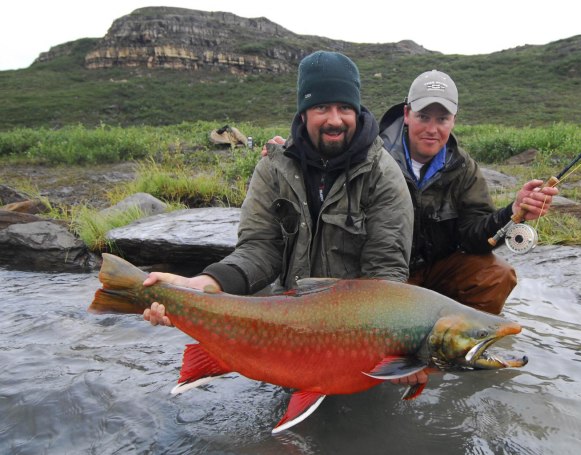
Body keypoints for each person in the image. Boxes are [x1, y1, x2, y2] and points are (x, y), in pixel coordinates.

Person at [143, 51, 413, 326]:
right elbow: (259, 249)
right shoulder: (273, 169)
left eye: (345, 107)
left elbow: (385, 273)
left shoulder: (382, 175)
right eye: (322, 107)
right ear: (303, 113)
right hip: (285, 319)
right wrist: (208, 283)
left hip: (355, 324)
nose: (335, 120)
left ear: (356, 110)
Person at [378, 69, 559, 316]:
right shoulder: (374, 158)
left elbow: (474, 237)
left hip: (436, 270)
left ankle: (459, 336)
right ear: (407, 114)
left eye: (442, 119)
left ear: (453, 120)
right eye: (423, 117)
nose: (432, 129)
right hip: (384, 274)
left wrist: (513, 212)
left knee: (497, 276)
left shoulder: (463, 167)